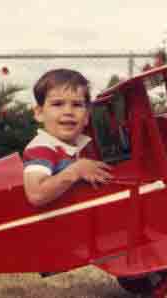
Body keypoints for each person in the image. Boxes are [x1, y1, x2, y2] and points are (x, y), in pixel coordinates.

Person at [23, 69, 113, 207]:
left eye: (77, 105)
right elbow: (36, 194)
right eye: (57, 104)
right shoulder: (41, 148)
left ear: (87, 116)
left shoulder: (81, 144)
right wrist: (76, 170)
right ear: (39, 113)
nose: (68, 112)